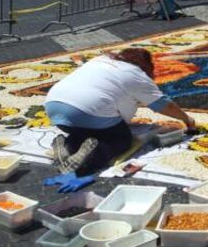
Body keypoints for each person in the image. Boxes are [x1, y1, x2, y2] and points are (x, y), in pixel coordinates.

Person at [44, 48, 196, 175]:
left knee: (89, 131)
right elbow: (164, 105)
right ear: (146, 67)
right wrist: (187, 119)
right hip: (88, 112)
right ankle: (85, 161)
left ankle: (67, 146)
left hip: (54, 107)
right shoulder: (137, 74)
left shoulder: (100, 59)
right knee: (120, 140)